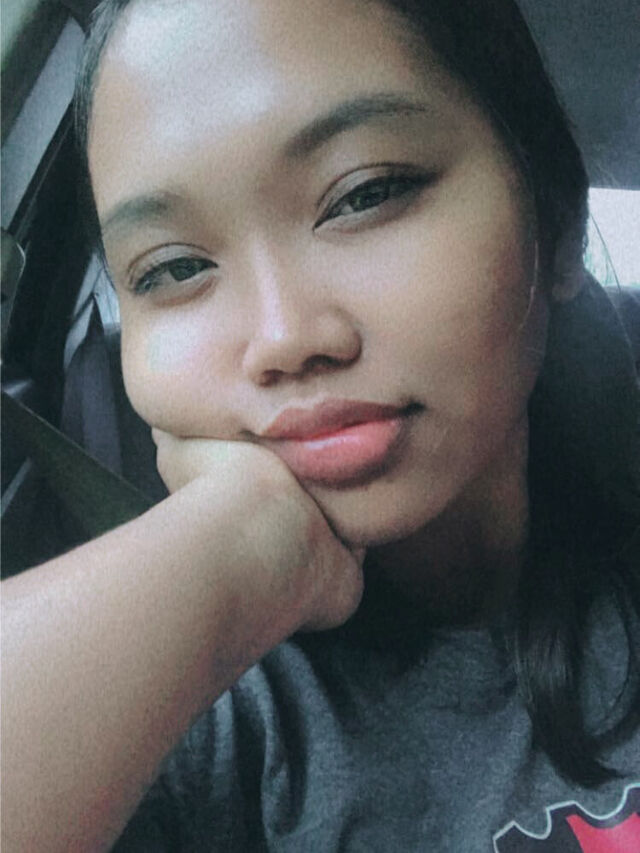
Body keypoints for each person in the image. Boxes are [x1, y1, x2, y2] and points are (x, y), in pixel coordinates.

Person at [2, 0, 639, 849]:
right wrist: (241, 543)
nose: (284, 337)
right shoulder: (172, 713)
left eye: (366, 194)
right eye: (175, 268)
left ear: (554, 223)